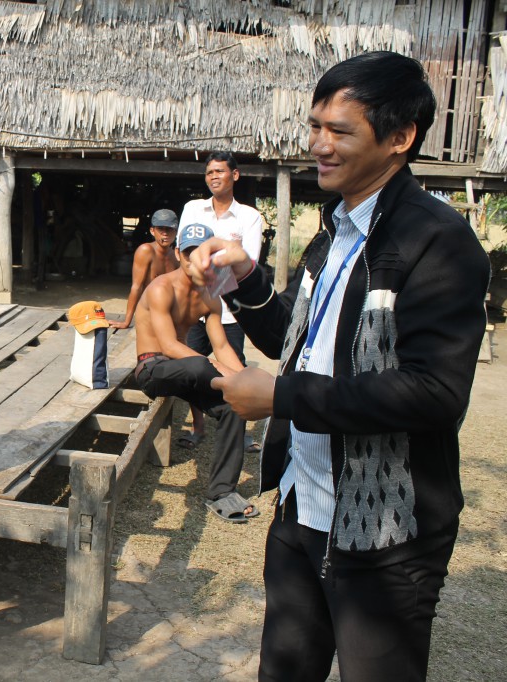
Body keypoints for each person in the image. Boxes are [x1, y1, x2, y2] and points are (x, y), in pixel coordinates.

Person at [189, 52, 490, 680]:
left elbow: (435, 393)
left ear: (400, 138)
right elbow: (294, 342)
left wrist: (282, 399)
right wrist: (245, 277)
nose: (319, 146)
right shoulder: (335, 230)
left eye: (340, 131)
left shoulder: (437, 241)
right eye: (315, 126)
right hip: (303, 509)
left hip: (386, 530)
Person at [133, 223, 256, 523]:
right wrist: (223, 374)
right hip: (153, 368)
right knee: (201, 363)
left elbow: (223, 346)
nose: (193, 260)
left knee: (233, 408)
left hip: (187, 372)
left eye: (200, 254)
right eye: (188, 253)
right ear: (178, 253)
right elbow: (169, 345)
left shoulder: (210, 294)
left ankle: (221, 492)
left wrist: (245, 382)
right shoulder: (161, 287)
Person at [179, 152, 264, 450]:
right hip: (194, 304)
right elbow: (184, 255)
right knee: (193, 367)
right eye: (209, 172)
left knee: (232, 364)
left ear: (235, 176)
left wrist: (208, 258)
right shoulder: (193, 209)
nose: (214, 176)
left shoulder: (249, 217)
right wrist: (223, 255)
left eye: (220, 171)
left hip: (229, 308)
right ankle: (197, 427)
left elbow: (248, 263)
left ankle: (238, 428)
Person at [110, 208, 180, 329]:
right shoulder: (146, 250)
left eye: (169, 229)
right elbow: (137, 287)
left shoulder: (176, 255)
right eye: (160, 229)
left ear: (176, 231)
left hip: (168, 312)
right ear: (152, 231)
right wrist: (127, 321)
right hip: (149, 310)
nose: (165, 233)